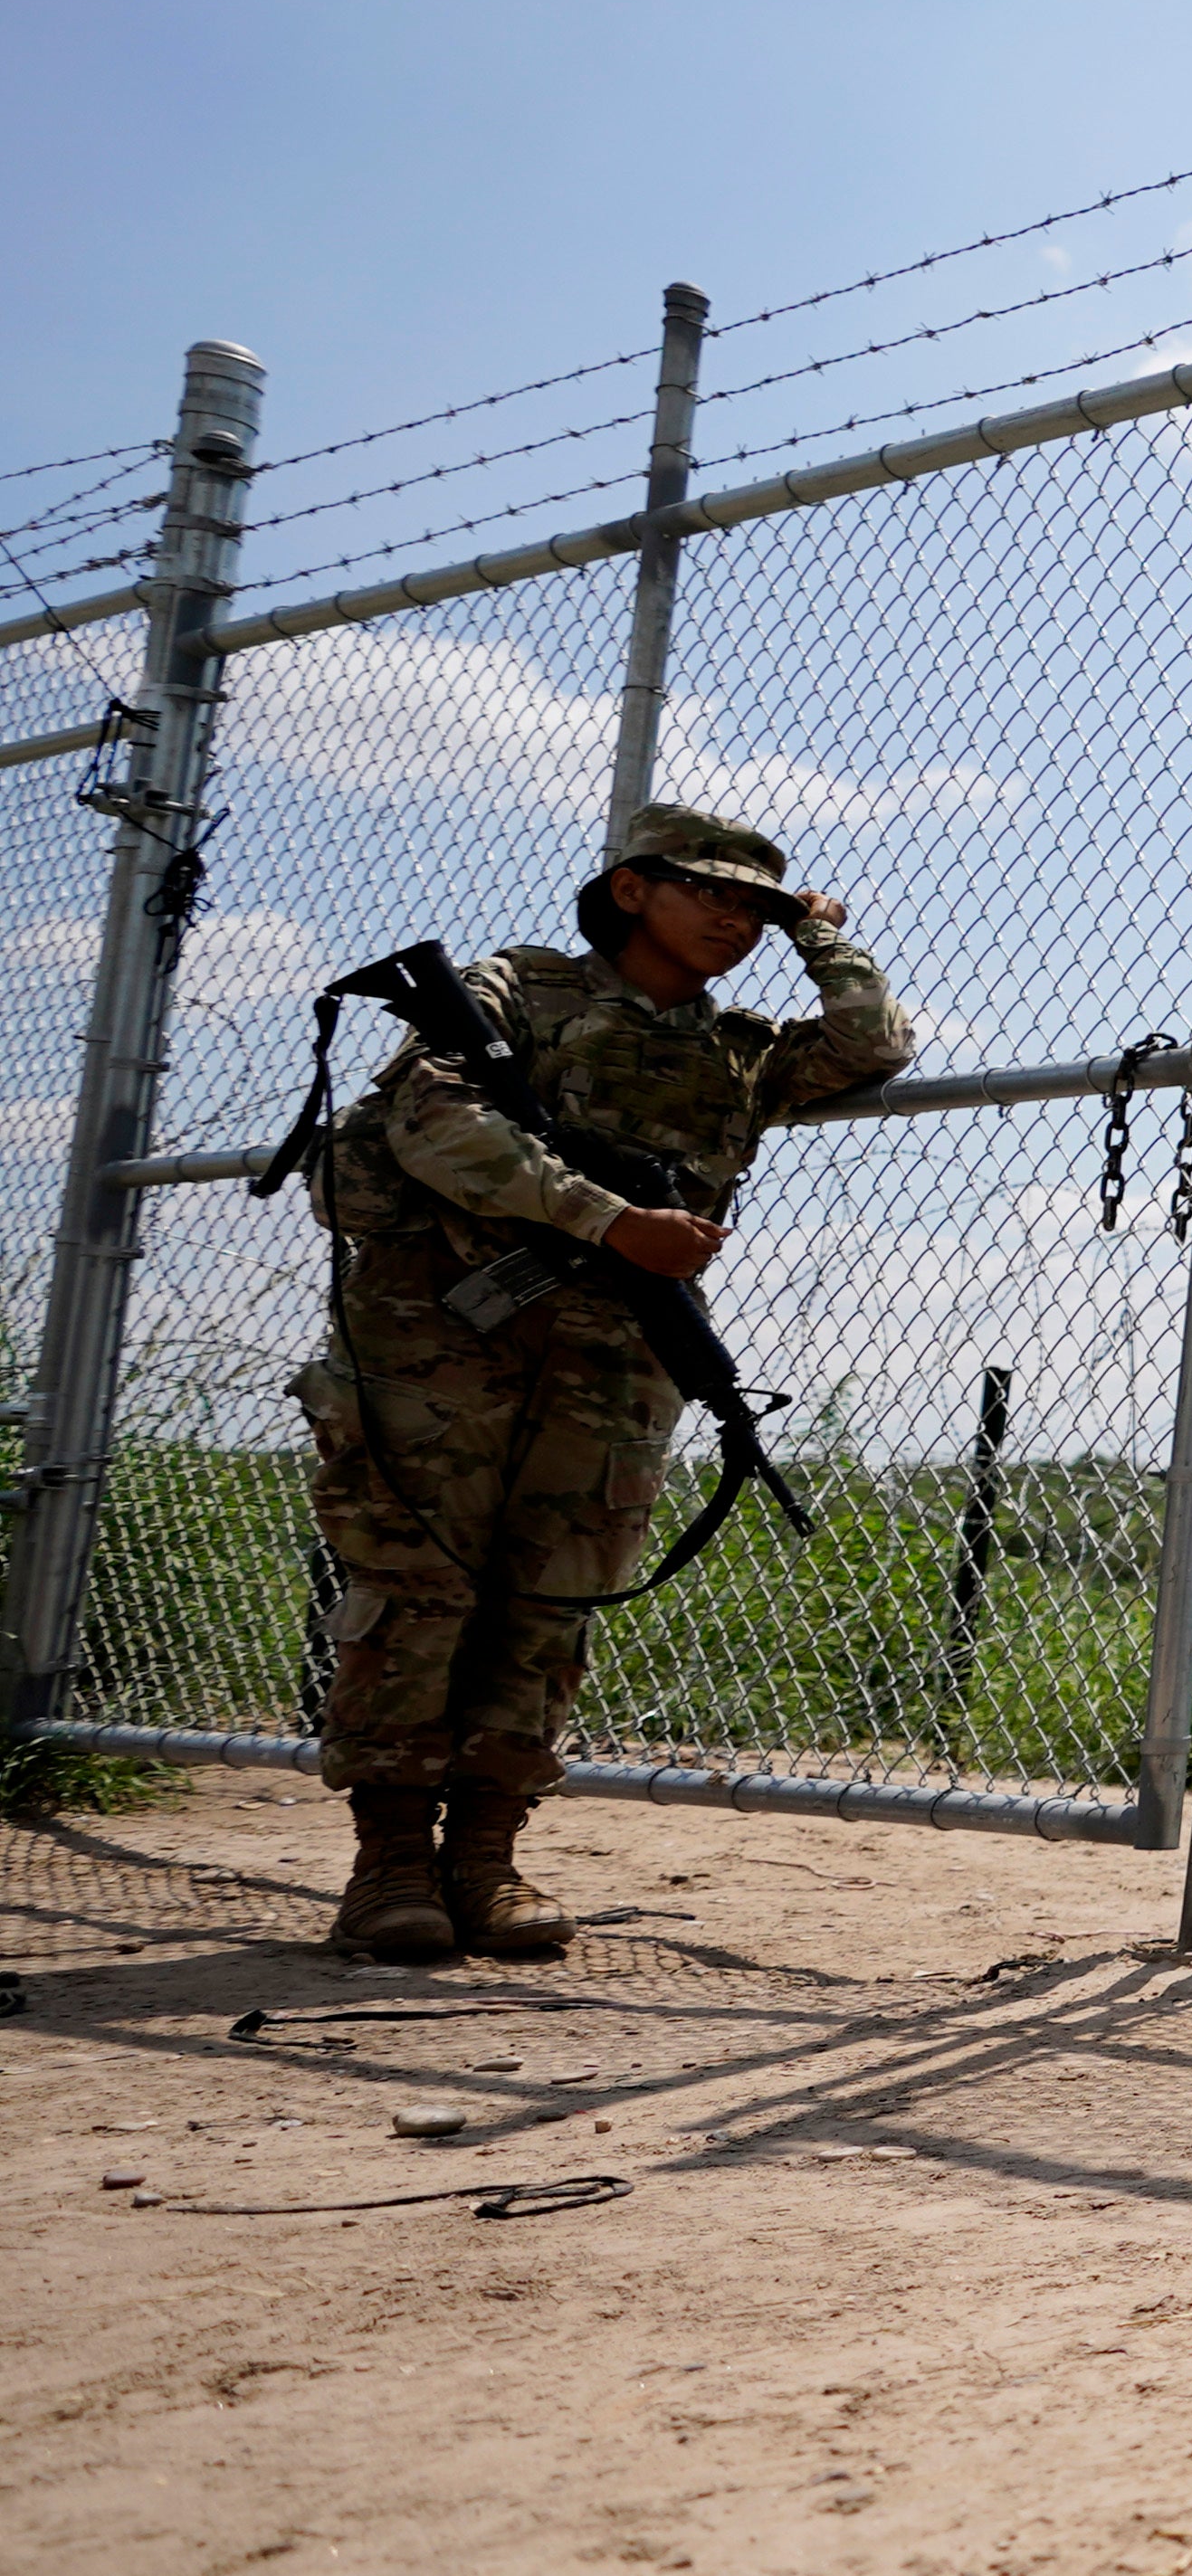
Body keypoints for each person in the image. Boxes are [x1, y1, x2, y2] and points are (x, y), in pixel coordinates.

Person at [303, 804, 911, 1961]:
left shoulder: (742, 1048)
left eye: (758, 907)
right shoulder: (515, 992)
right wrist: (605, 1219)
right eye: (711, 892)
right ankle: (390, 1865)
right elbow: (434, 1122)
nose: (736, 920)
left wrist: (819, 933)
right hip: (442, 1335)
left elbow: (873, 1042)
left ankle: (485, 1858)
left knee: (552, 1602)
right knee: (418, 1590)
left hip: (617, 1353)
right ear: (632, 889)